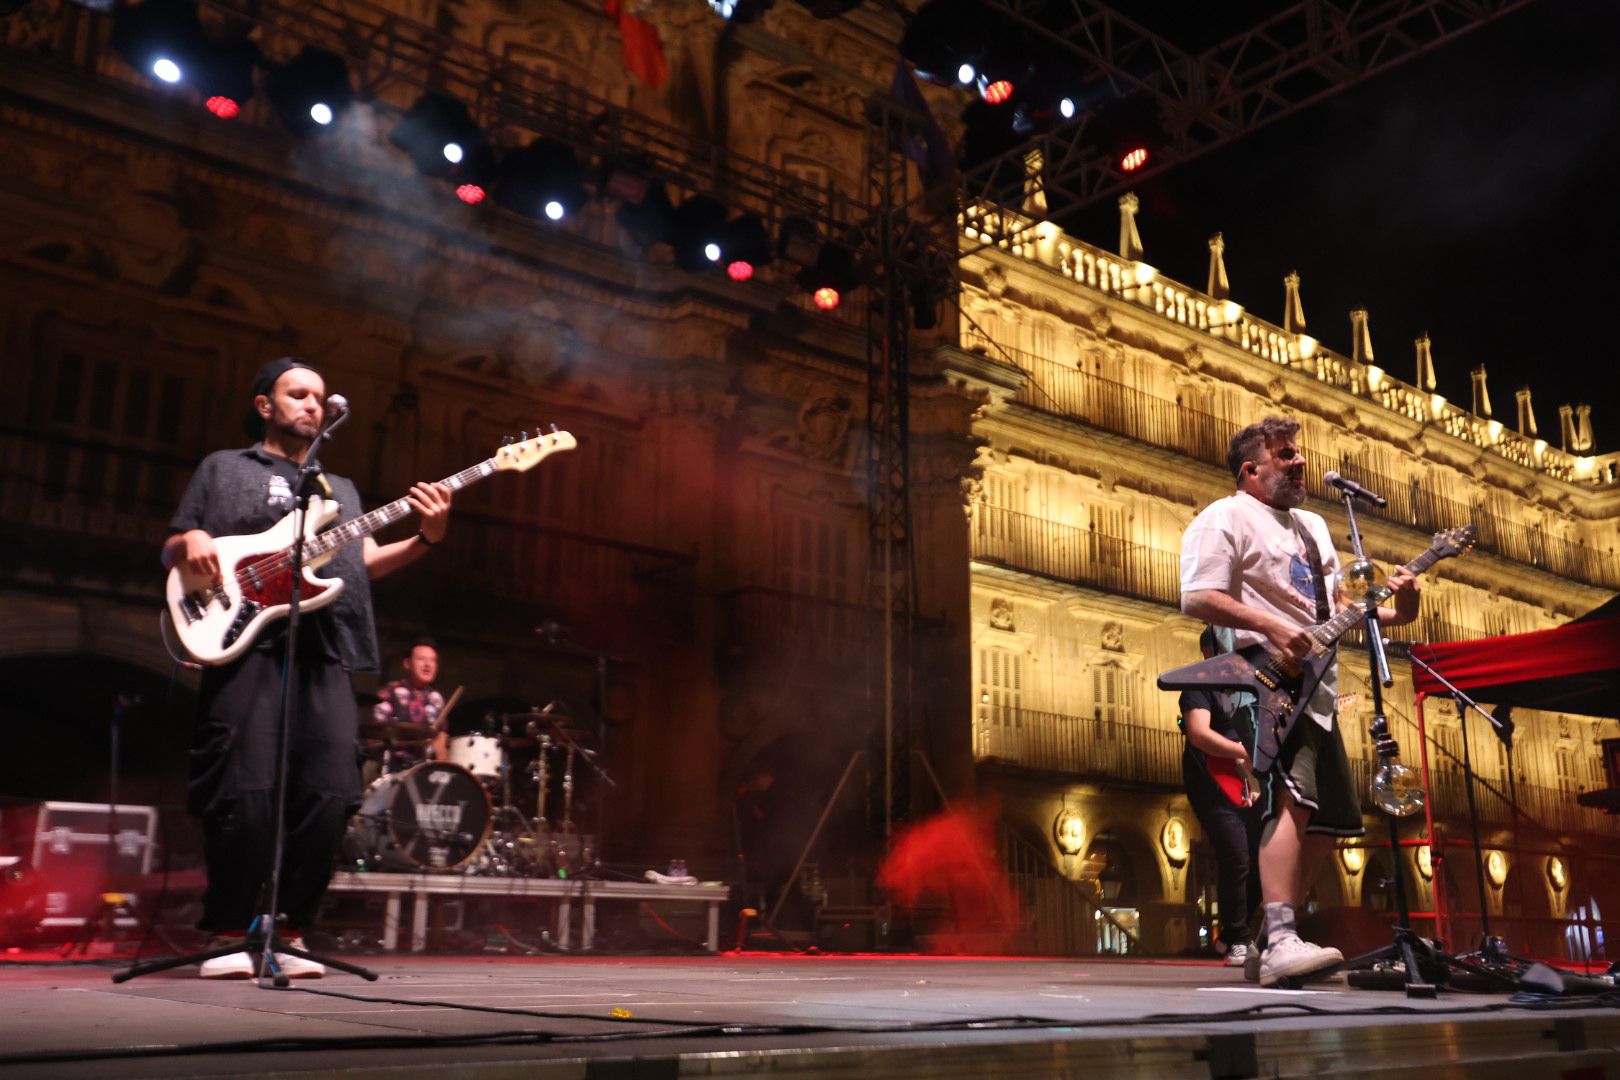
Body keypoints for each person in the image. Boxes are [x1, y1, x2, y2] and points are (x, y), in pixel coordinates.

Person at [163, 357, 452, 979]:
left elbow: (358, 562)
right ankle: (226, 931)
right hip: (245, 644)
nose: (313, 405)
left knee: (332, 793)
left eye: (319, 397)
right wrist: (188, 541)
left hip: (326, 648)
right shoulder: (225, 468)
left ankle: (289, 928)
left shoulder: (337, 489)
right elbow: (179, 539)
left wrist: (426, 537)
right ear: (265, 404)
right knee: (245, 792)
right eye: (298, 394)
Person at [1180, 415, 1420, 986]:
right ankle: (1284, 935)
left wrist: (1402, 609)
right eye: (1285, 455)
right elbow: (1197, 596)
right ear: (1251, 469)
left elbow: (1340, 606)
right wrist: (1273, 625)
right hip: (1263, 677)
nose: (1299, 462)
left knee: (1328, 818)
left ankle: (1269, 935)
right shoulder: (1226, 516)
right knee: (1289, 797)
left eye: (1298, 453)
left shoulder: (1313, 526)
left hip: (1319, 688)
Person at [1178, 626, 1262, 969]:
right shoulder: (1198, 684)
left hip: (1245, 783)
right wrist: (1242, 751)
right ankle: (1239, 940)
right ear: (1211, 650)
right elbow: (1198, 733)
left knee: (1260, 858)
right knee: (1236, 856)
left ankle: (1230, 934)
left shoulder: (1249, 688)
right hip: (1210, 781)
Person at [371, 638, 448, 774]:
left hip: (426, 771)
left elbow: (441, 735)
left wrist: (443, 762)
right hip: (394, 769)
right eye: (421, 659)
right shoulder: (391, 691)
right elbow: (375, 733)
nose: (428, 664)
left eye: (433, 660)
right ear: (407, 664)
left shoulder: (437, 698)